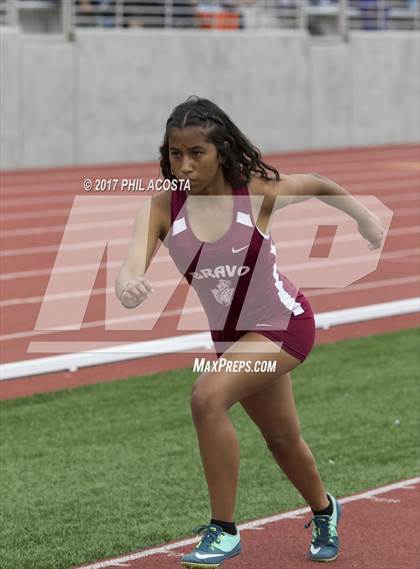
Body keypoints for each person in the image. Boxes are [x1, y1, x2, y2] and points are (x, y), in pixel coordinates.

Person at [115, 96, 383, 567]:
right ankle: (325, 509)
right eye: (175, 154)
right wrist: (130, 285)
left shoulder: (255, 190)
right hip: (236, 342)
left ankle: (223, 531)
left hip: (283, 325)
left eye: (196, 153)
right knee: (282, 441)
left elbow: (318, 183)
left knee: (207, 398)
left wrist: (364, 218)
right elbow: (129, 266)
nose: (185, 164)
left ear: (220, 149)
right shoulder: (161, 207)